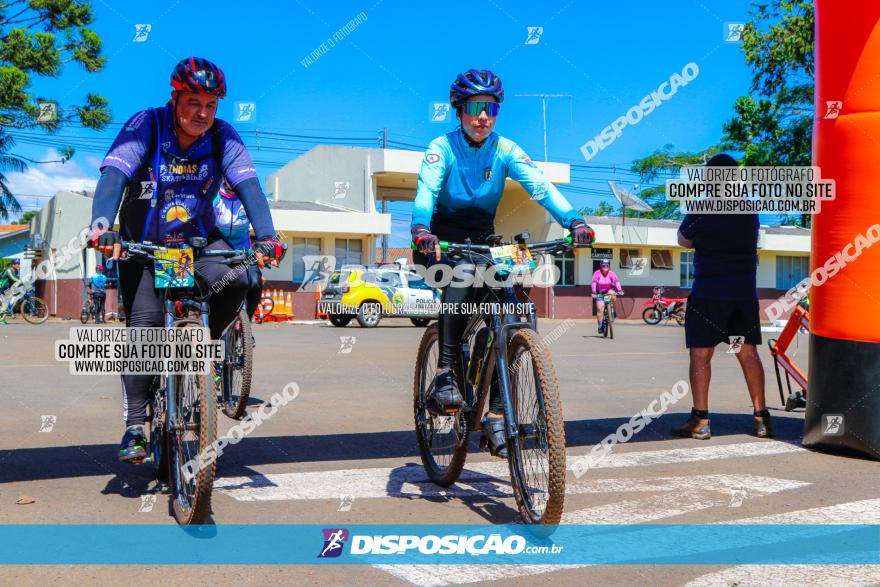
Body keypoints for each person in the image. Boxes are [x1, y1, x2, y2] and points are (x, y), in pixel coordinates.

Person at [90, 57, 284, 462]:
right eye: (194, 102)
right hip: (143, 246)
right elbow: (113, 178)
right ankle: (136, 426)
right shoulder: (147, 124)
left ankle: (204, 354)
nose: (203, 113)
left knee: (240, 279)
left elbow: (249, 186)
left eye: (211, 105)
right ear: (175, 98)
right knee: (144, 327)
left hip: (194, 245)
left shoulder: (222, 136)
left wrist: (266, 237)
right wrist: (102, 225)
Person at [411, 68, 594, 458]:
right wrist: (421, 229)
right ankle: (445, 371)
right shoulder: (440, 148)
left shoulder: (506, 150)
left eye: (491, 109)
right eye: (475, 108)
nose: (483, 117)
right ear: (459, 111)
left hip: (483, 241)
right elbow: (425, 191)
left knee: (509, 303)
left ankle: (496, 411)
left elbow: (540, 186)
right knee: (459, 274)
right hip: (438, 240)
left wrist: (573, 220)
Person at [672, 153, 771, 440]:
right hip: (742, 296)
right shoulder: (748, 209)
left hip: (709, 296)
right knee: (747, 353)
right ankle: (761, 418)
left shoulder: (703, 207)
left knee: (702, 355)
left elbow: (682, 239)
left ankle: (701, 421)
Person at [213, 179, 263, 320]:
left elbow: (260, 226)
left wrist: (262, 247)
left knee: (255, 283)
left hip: (243, 252)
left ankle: (246, 322)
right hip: (217, 251)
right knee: (215, 286)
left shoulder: (248, 198)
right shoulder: (214, 196)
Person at [591, 259, 623, 335]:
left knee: (613, 294)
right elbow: (594, 283)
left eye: (607, 265)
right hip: (599, 293)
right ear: (601, 266)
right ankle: (600, 325)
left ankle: (613, 310)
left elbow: (617, 282)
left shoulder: (612, 274)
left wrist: (620, 290)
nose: (605, 267)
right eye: (603, 265)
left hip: (608, 292)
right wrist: (594, 292)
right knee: (600, 309)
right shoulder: (597, 273)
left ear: (609, 266)